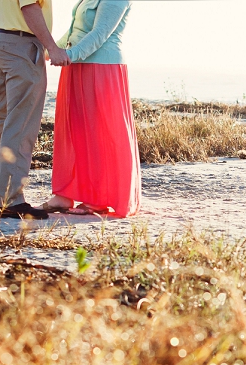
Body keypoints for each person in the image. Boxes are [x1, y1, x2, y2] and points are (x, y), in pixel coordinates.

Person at [39, 0, 141, 217]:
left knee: (98, 135)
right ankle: (63, 195)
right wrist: (50, 50)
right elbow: (74, 30)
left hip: (101, 67)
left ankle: (97, 200)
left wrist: (69, 55)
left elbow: (100, 33)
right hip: (76, 66)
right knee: (72, 131)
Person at [0, 0, 69, 219]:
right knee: (21, 123)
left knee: (3, 121)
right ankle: (11, 200)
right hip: (21, 46)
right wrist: (52, 47)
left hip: (0, 41)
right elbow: (29, 7)